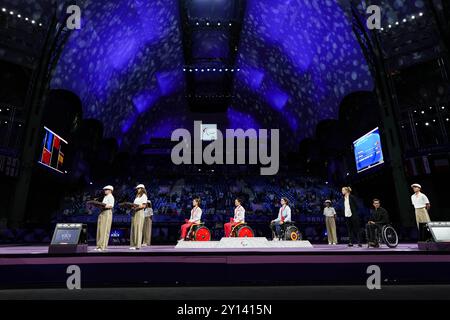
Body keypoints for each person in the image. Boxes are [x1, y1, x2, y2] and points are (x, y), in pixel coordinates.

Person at [95, 185, 115, 251]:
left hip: (107, 212)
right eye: (105, 189)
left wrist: (103, 206)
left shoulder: (111, 197)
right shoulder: (105, 197)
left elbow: (111, 206)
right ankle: (98, 245)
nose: (105, 191)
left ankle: (103, 246)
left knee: (105, 229)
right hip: (102, 212)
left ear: (110, 190)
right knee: (100, 229)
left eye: (106, 189)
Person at [130, 184, 147, 250]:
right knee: (134, 228)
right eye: (137, 189)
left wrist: (136, 208)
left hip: (140, 212)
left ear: (142, 189)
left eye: (138, 188)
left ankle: (137, 245)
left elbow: (143, 206)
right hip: (135, 212)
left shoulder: (144, 196)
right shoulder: (137, 196)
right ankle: (133, 244)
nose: (137, 190)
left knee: (138, 229)